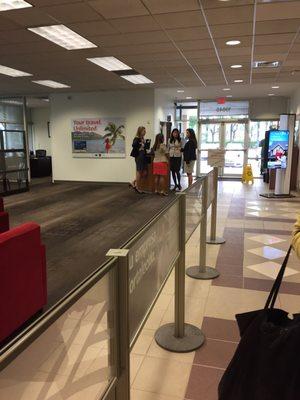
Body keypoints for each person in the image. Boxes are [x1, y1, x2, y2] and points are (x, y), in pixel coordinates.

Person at [130, 126, 147, 193]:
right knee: (139, 171)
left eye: (145, 131)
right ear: (140, 131)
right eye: (144, 131)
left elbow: (144, 147)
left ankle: (133, 182)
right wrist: (139, 145)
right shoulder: (137, 138)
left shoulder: (142, 138)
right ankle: (137, 186)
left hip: (143, 155)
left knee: (144, 172)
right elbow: (133, 145)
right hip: (139, 156)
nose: (145, 132)